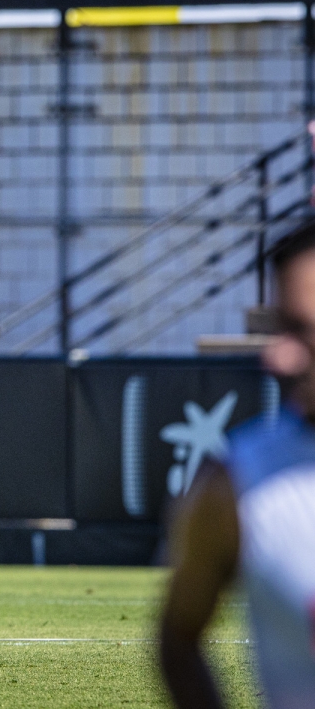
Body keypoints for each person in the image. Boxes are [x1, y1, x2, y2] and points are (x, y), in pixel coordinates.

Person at [159, 222, 315, 709]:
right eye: (280, 329)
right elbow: (177, 640)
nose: (279, 358)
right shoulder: (234, 483)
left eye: (304, 331)